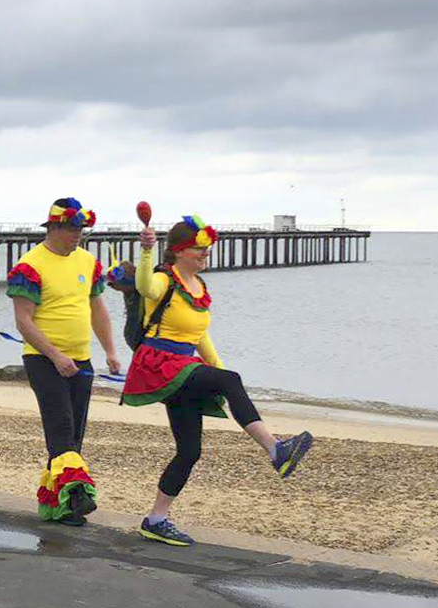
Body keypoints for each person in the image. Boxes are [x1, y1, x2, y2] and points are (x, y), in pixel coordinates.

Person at [122, 215, 315, 546]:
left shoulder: (199, 286)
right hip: (160, 363)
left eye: (206, 250)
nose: (205, 254)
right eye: (199, 249)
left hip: (184, 364)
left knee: (190, 451)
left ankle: (155, 520)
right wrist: (145, 251)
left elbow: (200, 335)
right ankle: (275, 450)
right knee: (231, 380)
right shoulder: (162, 279)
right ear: (181, 251)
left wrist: (218, 371)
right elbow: (143, 287)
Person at [6, 198, 122, 526]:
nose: (78, 234)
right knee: (60, 429)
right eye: (72, 228)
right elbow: (23, 321)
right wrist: (55, 356)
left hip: (80, 359)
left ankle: (57, 504)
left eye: (81, 229)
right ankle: (77, 497)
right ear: (54, 227)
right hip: (44, 359)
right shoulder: (30, 264)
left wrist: (110, 351)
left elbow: (97, 309)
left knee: (76, 434)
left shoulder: (86, 261)